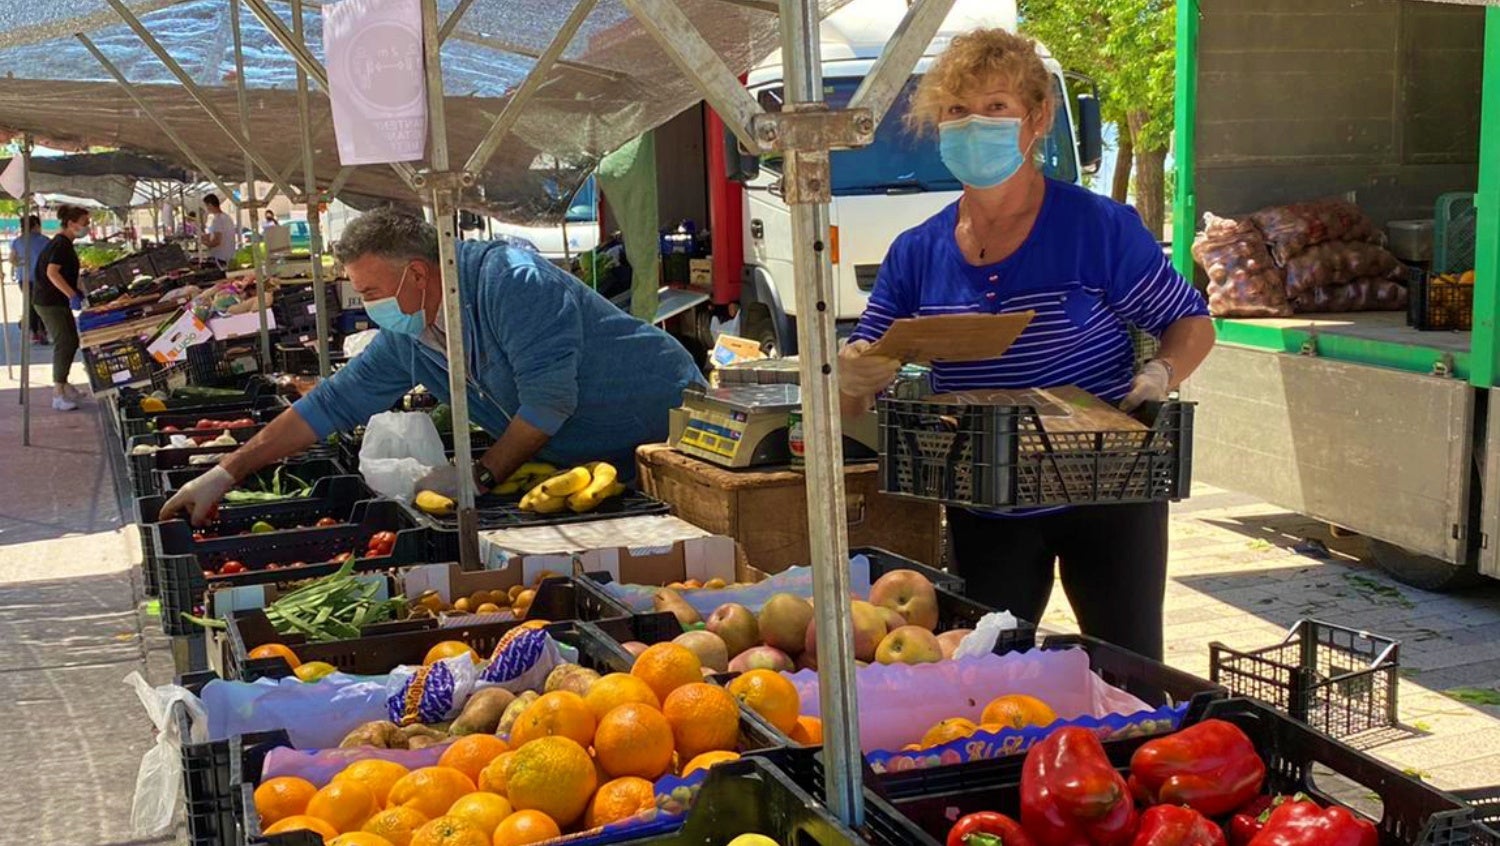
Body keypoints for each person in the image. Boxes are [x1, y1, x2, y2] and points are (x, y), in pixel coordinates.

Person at [836, 29, 1216, 662]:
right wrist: (852, 376)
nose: (973, 125)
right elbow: (863, 364)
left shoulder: (1097, 228)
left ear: (1037, 118)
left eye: (995, 107)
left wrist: (1161, 373)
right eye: (957, 110)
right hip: (986, 500)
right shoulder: (917, 252)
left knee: (1127, 669)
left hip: (1108, 487)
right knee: (986, 671)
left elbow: (1191, 322)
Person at [161, 208, 704, 523]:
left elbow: (548, 403)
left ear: (418, 275)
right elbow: (330, 404)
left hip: (667, 428)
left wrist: (480, 475)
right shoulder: (410, 335)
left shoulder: (512, 283)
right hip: (588, 464)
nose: (367, 305)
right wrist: (225, 472)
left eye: (371, 292)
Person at [33, 204, 91, 411]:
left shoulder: (64, 243)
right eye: (85, 223)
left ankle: (64, 384)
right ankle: (58, 394)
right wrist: (71, 294)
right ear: (71, 223)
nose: (87, 226)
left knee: (71, 340)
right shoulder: (60, 245)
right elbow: (52, 272)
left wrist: (77, 290)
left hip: (56, 301)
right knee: (64, 342)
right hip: (49, 301)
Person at [8, 214, 49, 344]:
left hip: (24, 278)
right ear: (36, 225)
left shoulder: (17, 241)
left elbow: (12, 260)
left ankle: (34, 332)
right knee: (42, 304)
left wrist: (21, 263)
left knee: (29, 304)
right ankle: (43, 331)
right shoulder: (45, 241)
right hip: (42, 278)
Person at [201, 194, 238, 266]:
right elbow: (221, 234)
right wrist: (206, 236)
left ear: (210, 205)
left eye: (206, 205)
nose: (206, 208)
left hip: (220, 258)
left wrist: (203, 243)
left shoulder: (218, 219)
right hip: (229, 256)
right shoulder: (227, 217)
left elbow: (217, 241)